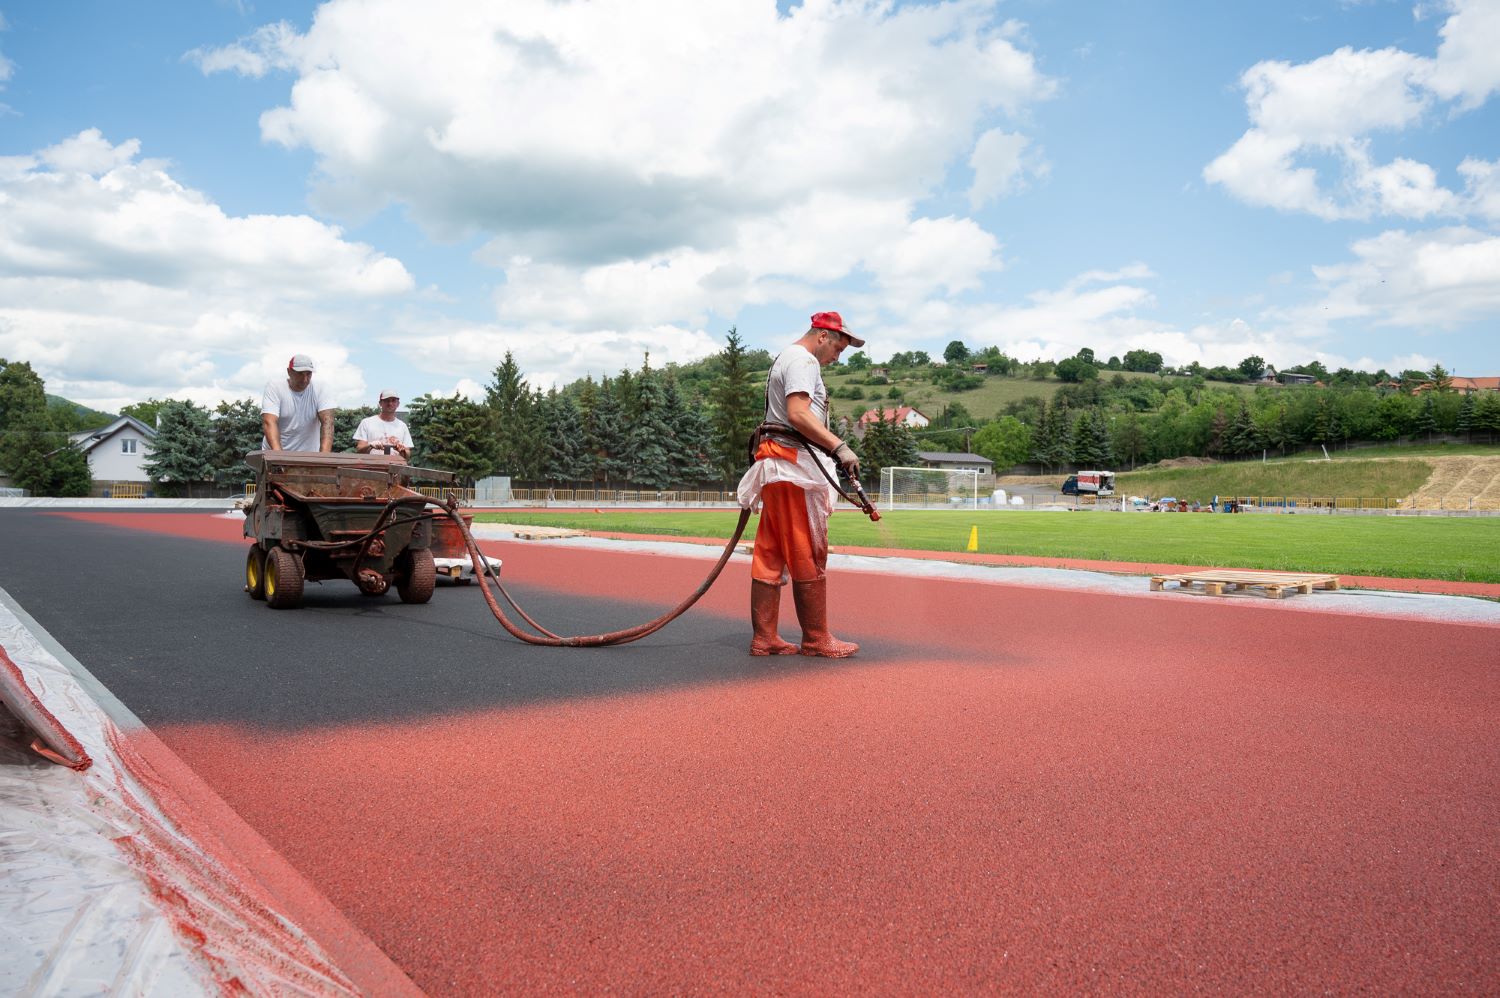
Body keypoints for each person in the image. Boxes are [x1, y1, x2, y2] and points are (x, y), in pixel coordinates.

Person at [737, 311, 865, 658]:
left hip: (779, 467)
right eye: (839, 347)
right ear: (823, 335)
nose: (839, 356)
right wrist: (839, 445)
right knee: (807, 549)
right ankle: (816, 638)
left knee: (771, 551)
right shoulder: (804, 361)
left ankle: (765, 637)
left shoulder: (788, 357)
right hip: (793, 469)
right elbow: (797, 413)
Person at [261, 354, 334, 452]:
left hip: (308, 455)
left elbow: (328, 422)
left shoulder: (321, 389)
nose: (305, 379)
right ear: (289, 372)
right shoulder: (275, 387)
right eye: (300, 374)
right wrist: (278, 456)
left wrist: (324, 458)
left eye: (308, 374)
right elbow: (269, 422)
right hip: (275, 453)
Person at [353, 389, 413, 459]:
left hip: (395, 467)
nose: (390, 403)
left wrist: (403, 450)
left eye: (393, 400)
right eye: (386, 400)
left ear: (398, 404)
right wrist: (370, 445)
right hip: (372, 466)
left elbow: (408, 454)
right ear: (380, 403)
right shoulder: (367, 422)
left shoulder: (402, 426)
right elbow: (359, 449)